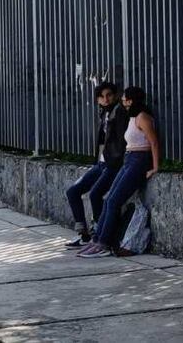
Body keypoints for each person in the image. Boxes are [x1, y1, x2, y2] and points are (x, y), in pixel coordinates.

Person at [77, 86, 159, 258]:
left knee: (115, 201)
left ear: (131, 100)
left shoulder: (143, 117)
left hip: (139, 160)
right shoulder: (133, 117)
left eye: (124, 99)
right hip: (129, 159)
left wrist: (155, 167)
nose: (122, 101)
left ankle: (104, 244)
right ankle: (97, 240)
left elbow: (154, 143)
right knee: (108, 200)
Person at [63, 82, 129, 248]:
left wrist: (116, 162)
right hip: (101, 164)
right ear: (97, 99)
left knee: (95, 195)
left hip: (112, 164)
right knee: (73, 192)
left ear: (115, 95)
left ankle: (100, 235)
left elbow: (122, 141)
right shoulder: (104, 113)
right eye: (101, 97)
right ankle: (83, 234)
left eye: (109, 95)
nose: (106, 99)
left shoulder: (119, 112)